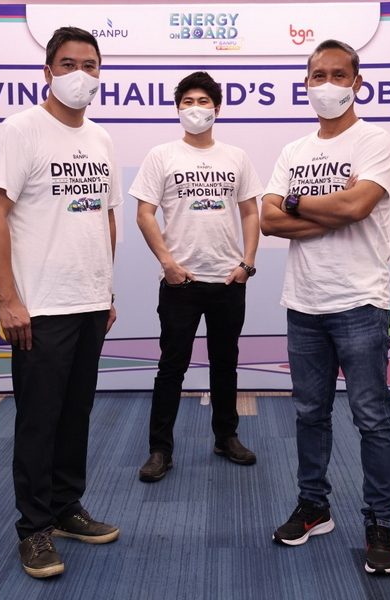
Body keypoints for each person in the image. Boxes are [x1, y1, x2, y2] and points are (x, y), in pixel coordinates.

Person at [0, 27, 122, 579]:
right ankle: (34, 528)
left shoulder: (102, 139)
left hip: (89, 301)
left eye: (90, 65)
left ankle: (66, 507)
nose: (79, 75)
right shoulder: (20, 130)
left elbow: (105, 217)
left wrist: (106, 289)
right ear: (47, 71)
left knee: (75, 413)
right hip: (39, 305)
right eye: (68, 64)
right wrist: (8, 299)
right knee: (39, 420)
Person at [260, 40, 390, 575]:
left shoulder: (375, 140)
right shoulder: (293, 150)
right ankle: (314, 507)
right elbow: (269, 220)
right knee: (309, 413)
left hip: (360, 302)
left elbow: (358, 205)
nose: (327, 84)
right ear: (306, 83)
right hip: (304, 302)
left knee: (372, 418)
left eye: (338, 75)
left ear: (357, 83)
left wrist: (298, 203)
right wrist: (330, 210)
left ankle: (379, 522)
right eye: (318, 75)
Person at [130, 71, 263, 483]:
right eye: (187, 101)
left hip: (227, 281)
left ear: (217, 109)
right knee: (171, 367)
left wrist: (247, 264)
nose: (195, 108)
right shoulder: (162, 155)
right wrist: (168, 263)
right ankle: (160, 450)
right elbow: (144, 213)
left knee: (225, 364)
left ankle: (226, 437)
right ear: (177, 109)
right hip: (180, 283)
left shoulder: (236, 157)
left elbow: (250, 212)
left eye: (203, 101)